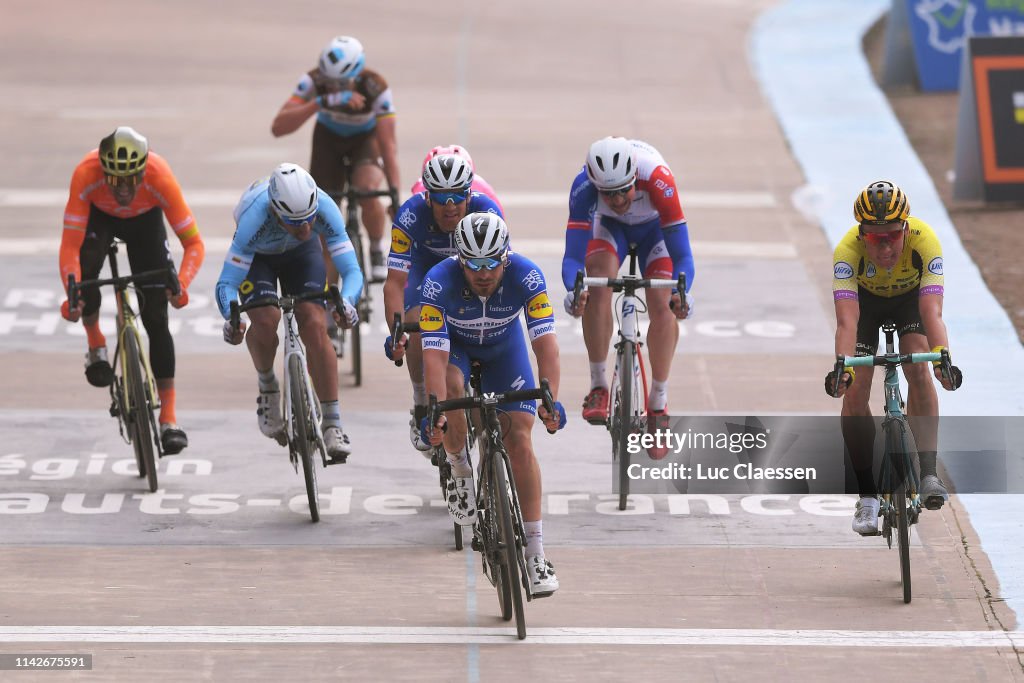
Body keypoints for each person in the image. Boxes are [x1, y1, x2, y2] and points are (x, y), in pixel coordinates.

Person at [415, 212, 566, 597]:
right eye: (474, 264)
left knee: (519, 442)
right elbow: (433, 357)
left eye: (492, 263)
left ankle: (535, 552)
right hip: (458, 350)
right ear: (460, 260)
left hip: (504, 350)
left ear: (506, 256)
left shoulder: (527, 276)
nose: (483, 273)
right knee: (450, 387)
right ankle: (460, 467)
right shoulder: (437, 283)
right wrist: (433, 411)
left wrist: (550, 397)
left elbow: (545, 346)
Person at [826, 180, 961, 536]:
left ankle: (929, 473)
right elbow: (847, 321)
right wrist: (842, 367)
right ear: (861, 234)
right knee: (854, 392)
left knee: (918, 362)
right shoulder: (846, 252)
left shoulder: (925, 241)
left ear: (905, 228)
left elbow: (932, 313)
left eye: (892, 236)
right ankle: (868, 495)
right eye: (874, 238)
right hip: (865, 308)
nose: (885, 246)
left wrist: (941, 359)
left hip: (909, 303)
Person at [59, 126, 205, 455]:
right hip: (99, 218)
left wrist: (181, 283)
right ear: (103, 172)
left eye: (130, 180)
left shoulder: (159, 176)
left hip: (145, 222)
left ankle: (169, 419)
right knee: (85, 278)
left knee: (156, 317)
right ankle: (96, 343)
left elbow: (193, 243)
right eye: (115, 180)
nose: (124, 190)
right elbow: (69, 246)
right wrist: (72, 292)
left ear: (142, 171)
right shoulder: (86, 173)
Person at [215, 163, 363, 462]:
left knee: (314, 323)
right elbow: (227, 283)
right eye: (296, 223)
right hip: (260, 260)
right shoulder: (254, 218)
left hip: (301, 255)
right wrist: (233, 319)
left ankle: (333, 422)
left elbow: (351, 270)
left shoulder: (323, 207)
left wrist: (347, 302)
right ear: (275, 212)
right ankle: (268, 388)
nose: (306, 228)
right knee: (266, 319)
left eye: (309, 220)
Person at [560, 137, 694, 458]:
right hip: (610, 230)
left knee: (663, 305)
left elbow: (683, 257)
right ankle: (598, 385)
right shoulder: (582, 187)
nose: (619, 199)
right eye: (609, 193)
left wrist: (681, 292)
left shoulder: (659, 180)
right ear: (595, 186)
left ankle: (658, 404)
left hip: (655, 231)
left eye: (624, 189)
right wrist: (574, 290)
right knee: (597, 284)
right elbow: (573, 257)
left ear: (635, 177)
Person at [383, 154, 503, 453]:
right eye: (440, 197)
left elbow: (504, 268)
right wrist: (398, 333)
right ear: (427, 196)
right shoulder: (410, 214)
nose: (450, 206)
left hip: (472, 269)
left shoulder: (487, 208)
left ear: (469, 193)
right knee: (416, 323)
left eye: (457, 196)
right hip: (425, 270)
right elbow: (395, 283)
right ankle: (422, 400)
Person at [270, 35, 399, 284]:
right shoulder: (313, 81)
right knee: (322, 214)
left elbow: (388, 146)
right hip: (328, 140)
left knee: (368, 189)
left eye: (339, 83)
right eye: (328, 82)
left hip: (365, 140)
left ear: (355, 75)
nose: (332, 87)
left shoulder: (376, 87)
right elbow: (278, 127)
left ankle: (374, 247)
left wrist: (394, 194)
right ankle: (328, 296)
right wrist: (319, 103)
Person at [409, 145, 504, 214]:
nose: (450, 206)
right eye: (440, 195)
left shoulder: (484, 190)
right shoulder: (484, 188)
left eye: (458, 193)